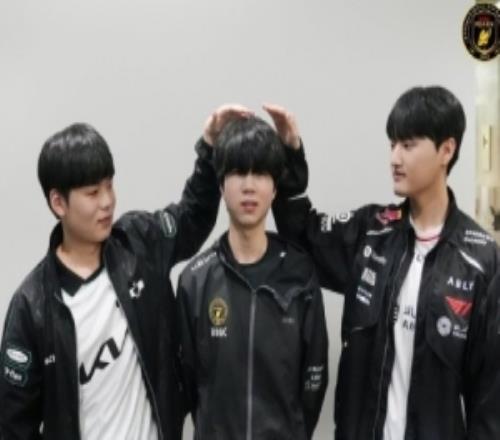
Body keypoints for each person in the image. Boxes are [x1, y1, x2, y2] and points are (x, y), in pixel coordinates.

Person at [0, 105, 249, 439]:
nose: (107, 201)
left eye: (109, 185)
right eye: (92, 193)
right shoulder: (32, 306)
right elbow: (14, 425)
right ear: (59, 203)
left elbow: (193, 217)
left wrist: (209, 147)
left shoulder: (139, 243)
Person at [266, 87, 500, 439]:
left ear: (446, 150)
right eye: (392, 144)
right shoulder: (371, 232)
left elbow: (490, 400)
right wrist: (291, 154)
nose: (394, 158)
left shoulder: (481, 261)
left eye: (407, 145)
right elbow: (302, 234)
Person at [177, 115, 328, 440]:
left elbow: (313, 384)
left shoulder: (300, 275)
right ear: (221, 185)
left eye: (260, 173)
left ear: (274, 188)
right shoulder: (195, 281)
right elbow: (188, 385)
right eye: (237, 172)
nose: (249, 186)